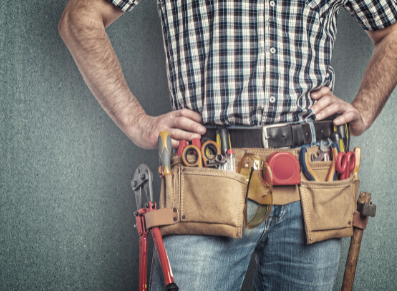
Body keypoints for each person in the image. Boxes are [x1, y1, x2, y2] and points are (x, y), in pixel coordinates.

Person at [58, 0, 397, 289]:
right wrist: (136, 122)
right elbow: (80, 17)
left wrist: (364, 108)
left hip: (314, 185)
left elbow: (391, 31)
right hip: (206, 183)